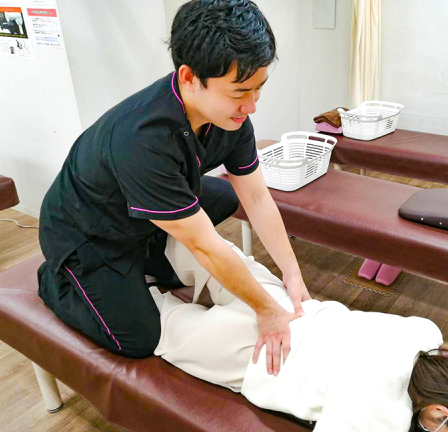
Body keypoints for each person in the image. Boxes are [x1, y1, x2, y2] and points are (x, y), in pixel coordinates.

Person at [37, 0, 310, 375]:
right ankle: (56, 279)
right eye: (238, 92)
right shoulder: (143, 138)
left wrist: (291, 273)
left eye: (258, 88)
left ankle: (152, 251)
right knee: (137, 339)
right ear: (188, 77)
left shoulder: (233, 119)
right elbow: (204, 245)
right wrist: (268, 311)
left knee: (227, 196)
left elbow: (258, 198)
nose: (251, 105)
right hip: (88, 232)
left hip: (136, 213)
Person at [152, 236, 448, 432]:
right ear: (440, 413)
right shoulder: (382, 415)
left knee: (211, 252)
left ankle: (146, 241)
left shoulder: (425, 334)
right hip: (254, 355)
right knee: (160, 326)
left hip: (287, 308)